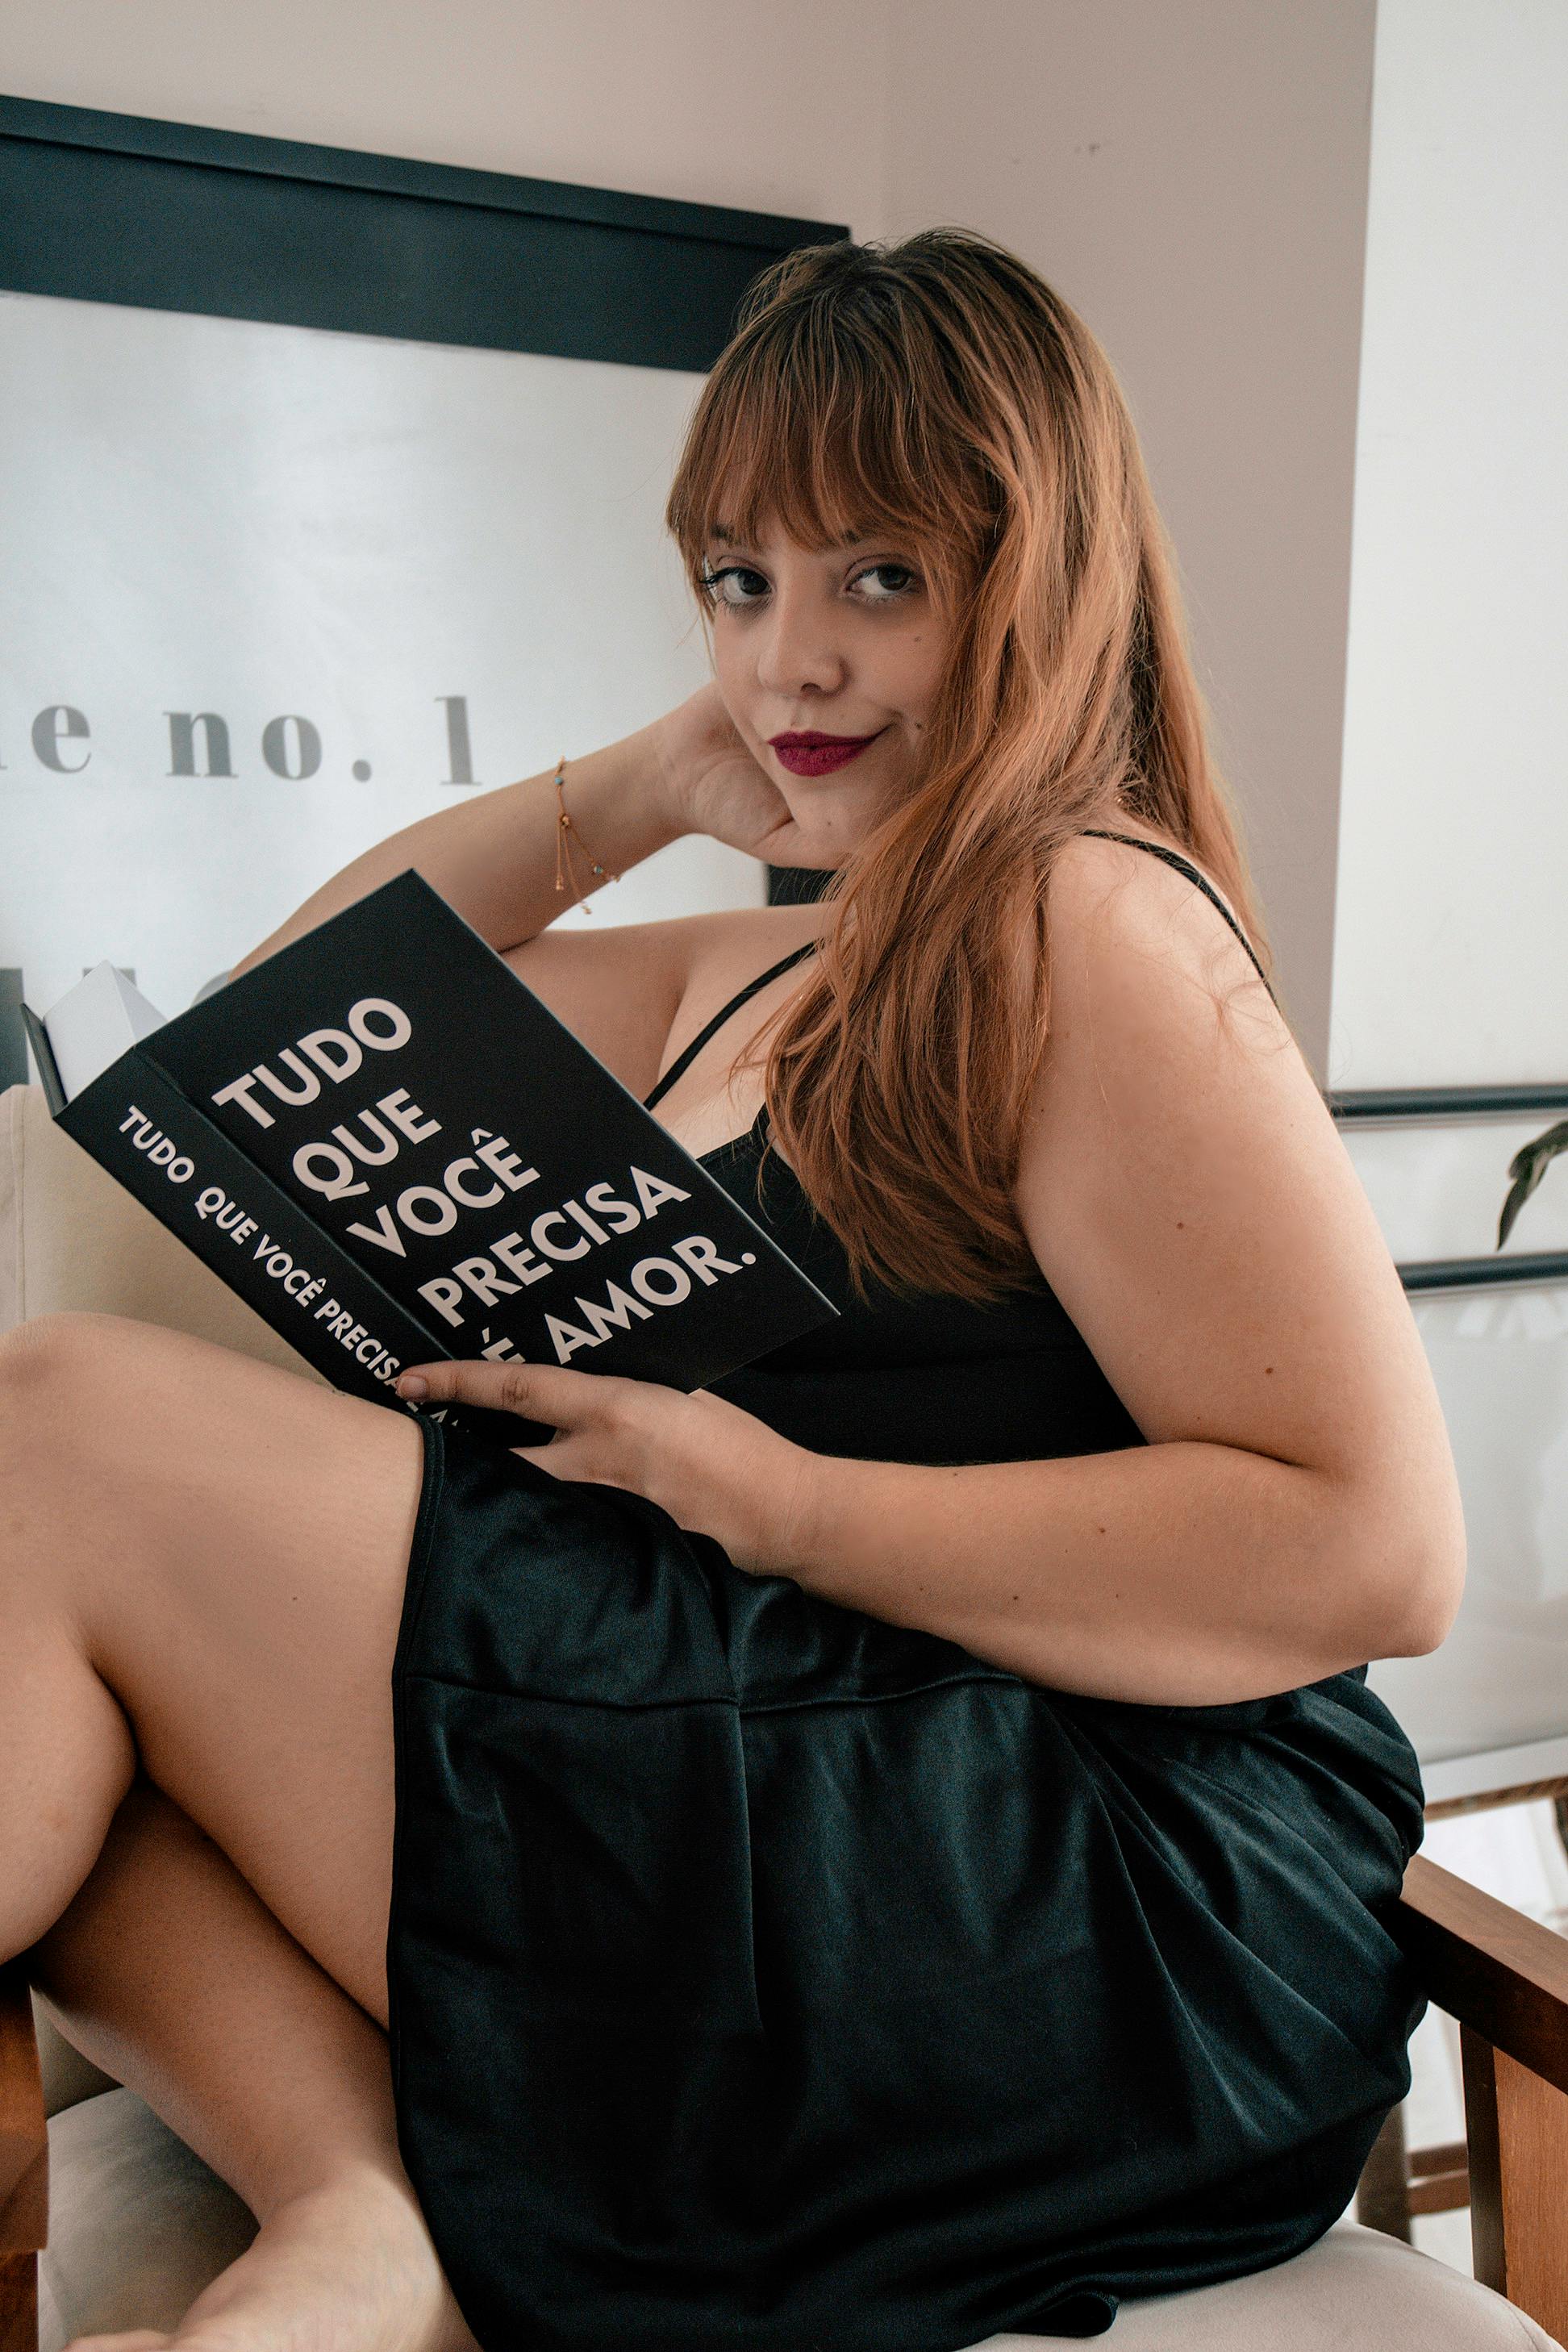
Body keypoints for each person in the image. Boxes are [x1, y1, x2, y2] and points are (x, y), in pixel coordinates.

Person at [2, 228, 1463, 2352]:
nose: (796, 659)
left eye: (879, 577)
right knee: (111, 1667)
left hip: (1093, 1884)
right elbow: (271, 1043)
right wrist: (638, 788)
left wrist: (779, 1500)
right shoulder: (744, 962)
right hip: (775, 1740)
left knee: (52, 1422)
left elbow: (1376, 1550)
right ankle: (355, 2209)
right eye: (739, 580)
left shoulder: (1086, 914)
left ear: (1039, 583)